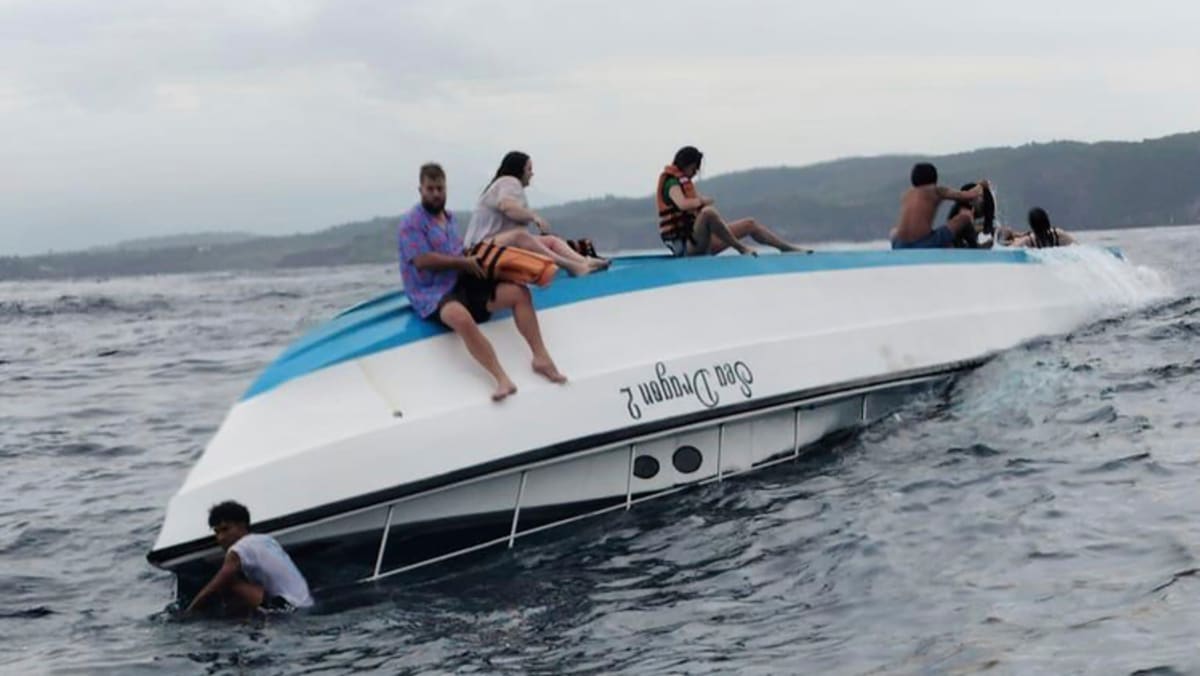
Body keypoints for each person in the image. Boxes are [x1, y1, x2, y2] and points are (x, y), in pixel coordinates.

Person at [399, 162, 567, 402]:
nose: (436, 194)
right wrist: (463, 264)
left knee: (518, 293)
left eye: (440, 189)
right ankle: (501, 379)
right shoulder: (411, 223)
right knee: (460, 317)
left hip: (461, 280)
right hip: (431, 292)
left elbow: (458, 251)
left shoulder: (449, 218)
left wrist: (483, 262)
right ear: (421, 190)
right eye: (430, 189)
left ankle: (541, 357)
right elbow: (422, 261)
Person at [464, 151, 608, 277]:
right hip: (478, 251)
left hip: (492, 244)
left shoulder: (503, 185)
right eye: (529, 169)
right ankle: (573, 267)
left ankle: (584, 261)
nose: (531, 174)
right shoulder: (509, 181)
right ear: (518, 170)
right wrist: (533, 216)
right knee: (520, 236)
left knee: (551, 241)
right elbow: (506, 206)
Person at [656, 146, 807, 257]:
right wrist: (701, 201)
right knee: (708, 213)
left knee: (750, 224)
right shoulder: (672, 184)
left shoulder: (684, 183)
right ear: (686, 164)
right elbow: (682, 204)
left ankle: (785, 248)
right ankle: (741, 248)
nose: (695, 173)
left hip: (701, 242)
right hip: (686, 248)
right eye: (694, 169)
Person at [184, 501, 313, 616]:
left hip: (286, 609)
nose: (221, 538)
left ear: (242, 525)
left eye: (225, 529)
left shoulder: (239, 548)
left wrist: (189, 611)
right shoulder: (267, 539)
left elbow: (219, 582)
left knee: (229, 581)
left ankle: (231, 620)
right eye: (217, 532)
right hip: (306, 603)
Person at [890, 162, 989, 249]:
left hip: (899, 245)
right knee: (965, 216)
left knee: (894, 232)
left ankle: (950, 245)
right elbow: (969, 196)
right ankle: (975, 246)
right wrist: (981, 185)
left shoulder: (907, 194)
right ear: (934, 178)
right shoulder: (936, 190)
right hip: (923, 245)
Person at [1012, 207, 1077, 248]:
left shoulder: (1028, 241)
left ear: (1032, 226)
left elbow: (1011, 249)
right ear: (1047, 221)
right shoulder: (1058, 235)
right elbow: (1078, 247)